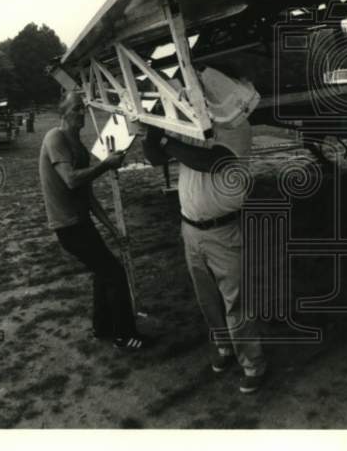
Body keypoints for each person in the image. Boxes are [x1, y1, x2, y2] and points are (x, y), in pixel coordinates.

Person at [141, 66, 267, 394]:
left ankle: (252, 363)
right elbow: (154, 156)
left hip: (223, 232)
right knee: (207, 299)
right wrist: (153, 127)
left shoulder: (237, 129)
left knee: (235, 301)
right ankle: (224, 348)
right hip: (191, 229)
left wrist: (166, 138)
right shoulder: (196, 125)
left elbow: (207, 161)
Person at [39, 91, 148, 351]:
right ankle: (125, 335)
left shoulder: (79, 148)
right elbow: (71, 179)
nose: (82, 113)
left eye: (83, 108)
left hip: (81, 221)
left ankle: (102, 327)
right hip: (67, 226)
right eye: (76, 108)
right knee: (114, 274)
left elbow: (87, 196)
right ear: (63, 113)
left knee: (103, 273)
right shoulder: (55, 137)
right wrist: (107, 165)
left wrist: (112, 229)